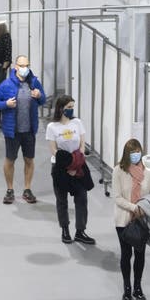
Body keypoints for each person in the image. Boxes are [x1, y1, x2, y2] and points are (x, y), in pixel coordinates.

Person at [0, 55, 46, 205]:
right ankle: (10, 190)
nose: (25, 68)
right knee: (10, 160)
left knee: (29, 159)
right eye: (22, 65)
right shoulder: (6, 84)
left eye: (27, 65)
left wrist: (39, 95)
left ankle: (27, 189)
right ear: (16, 67)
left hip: (29, 130)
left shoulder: (34, 83)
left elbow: (43, 100)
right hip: (12, 131)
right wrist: (6, 105)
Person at [46, 95, 95, 245]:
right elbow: (54, 150)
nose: (71, 110)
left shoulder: (77, 123)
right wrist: (68, 165)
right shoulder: (52, 127)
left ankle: (80, 231)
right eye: (68, 107)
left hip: (78, 167)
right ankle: (65, 230)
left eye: (72, 107)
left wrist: (76, 164)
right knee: (62, 201)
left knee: (82, 199)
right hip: (61, 168)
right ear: (60, 108)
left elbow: (82, 145)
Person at [113, 138, 150, 300]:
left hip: (141, 219)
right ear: (126, 154)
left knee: (140, 254)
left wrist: (144, 209)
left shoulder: (148, 172)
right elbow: (117, 197)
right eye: (132, 153)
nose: (136, 155)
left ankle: (138, 287)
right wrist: (133, 208)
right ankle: (127, 288)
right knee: (126, 254)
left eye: (138, 152)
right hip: (123, 219)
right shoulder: (118, 171)